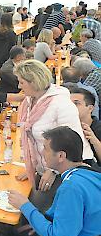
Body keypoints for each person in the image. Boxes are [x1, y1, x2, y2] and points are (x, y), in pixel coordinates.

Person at [0, 126, 101, 236]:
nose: (42, 152)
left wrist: (25, 205)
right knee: (14, 231)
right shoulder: (89, 172)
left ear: (61, 156)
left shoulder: (71, 187)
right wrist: (43, 223)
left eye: (45, 148)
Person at [14, 60, 94, 199]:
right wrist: (33, 167)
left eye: (22, 82)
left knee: (36, 205)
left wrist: (52, 171)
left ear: (33, 81)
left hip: (68, 166)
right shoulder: (29, 101)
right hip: (47, 165)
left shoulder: (60, 103)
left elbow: (73, 141)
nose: (19, 86)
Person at [66, 85, 101, 161]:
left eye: (76, 103)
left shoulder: (98, 129)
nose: (70, 106)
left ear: (90, 108)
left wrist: (94, 140)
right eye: (68, 103)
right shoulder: (65, 127)